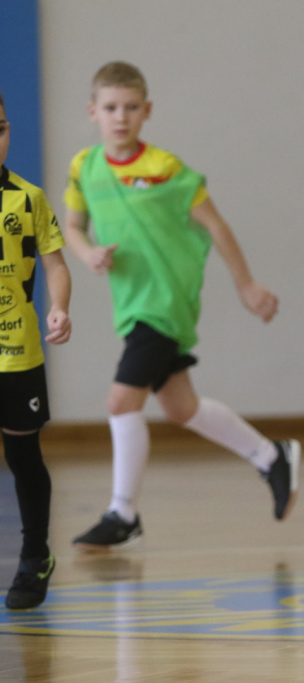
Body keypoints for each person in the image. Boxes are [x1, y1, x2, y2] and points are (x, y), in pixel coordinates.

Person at [62, 61, 300, 551]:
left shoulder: (165, 169)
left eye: (131, 107)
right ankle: (271, 456)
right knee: (180, 407)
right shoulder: (83, 166)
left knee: (120, 402)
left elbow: (216, 225)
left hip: (164, 303)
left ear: (147, 111)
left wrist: (246, 285)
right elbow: (74, 227)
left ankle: (123, 514)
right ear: (92, 112)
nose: (121, 117)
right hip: (131, 305)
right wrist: (87, 255)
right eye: (111, 107)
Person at [0, 90, 73, 608]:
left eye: (0, 128)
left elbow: (56, 265)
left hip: (16, 350)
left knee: (23, 455)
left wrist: (60, 308)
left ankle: (35, 556)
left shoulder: (28, 199)